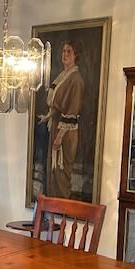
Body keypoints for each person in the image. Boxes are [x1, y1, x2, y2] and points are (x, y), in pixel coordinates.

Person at [37, 40, 84, 199]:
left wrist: (59, 136)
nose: (65, 54)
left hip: (66, 133)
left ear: (76, 55)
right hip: (55, 126)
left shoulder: (76, 79)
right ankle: (52, 207)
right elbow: (55, 105)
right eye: (64, 51)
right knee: (52, 171)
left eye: (69, 51)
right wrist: (47, 117)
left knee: (61, 172)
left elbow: (72, 111)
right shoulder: (63, 75)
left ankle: (61, 208)